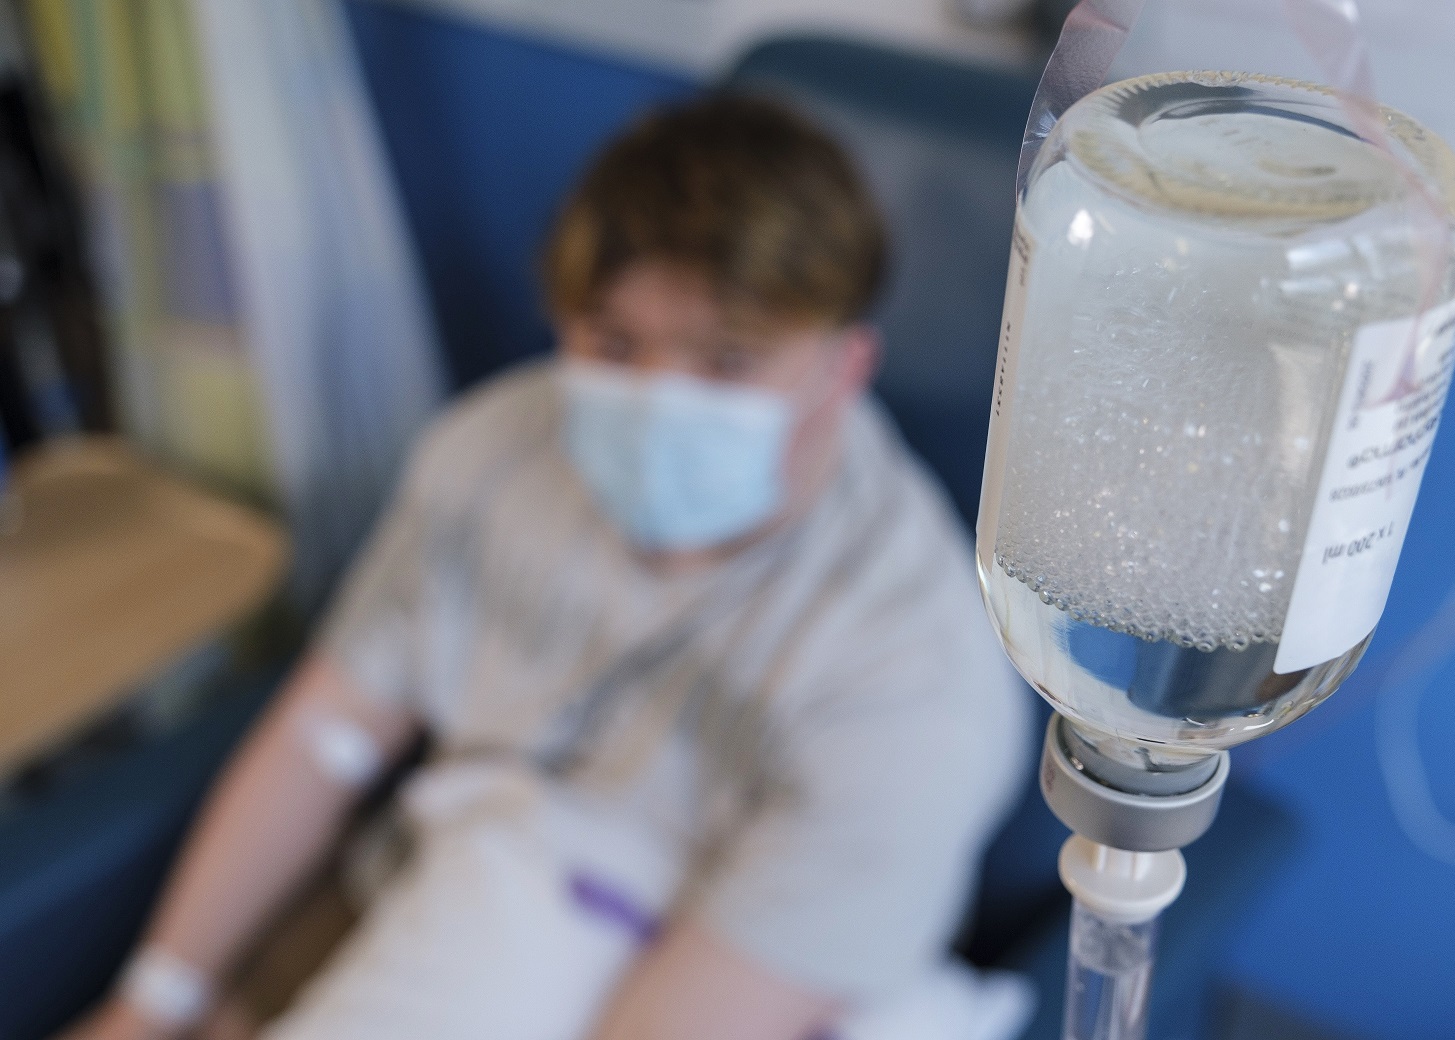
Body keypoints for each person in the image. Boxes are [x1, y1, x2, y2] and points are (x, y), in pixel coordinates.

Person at [62, 95, 1031, 1040]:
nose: (657, 400)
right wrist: (155, 998)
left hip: (697, 962)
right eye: (613, 342)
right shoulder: (494, 450)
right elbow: (326, 734)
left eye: (727, 360)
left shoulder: (911, 682)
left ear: (843, 367)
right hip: (430, 873)